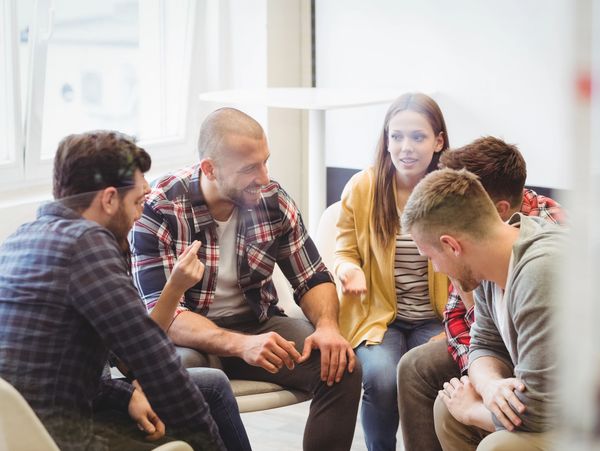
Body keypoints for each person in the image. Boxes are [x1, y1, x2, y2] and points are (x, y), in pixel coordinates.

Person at [0, 130, 250, 451]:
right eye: (136, 202)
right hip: (63, 437)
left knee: (210, 386)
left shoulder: (20, 239)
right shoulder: (86, 244)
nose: (138, 214)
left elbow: (66, 367)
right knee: (197, 415)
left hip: (19, 432)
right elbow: (153, 360)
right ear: (108, 199)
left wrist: (126, 393)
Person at [130, 108, 362, 451]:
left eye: (265, 162)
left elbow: (312, 276)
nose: (264, 177)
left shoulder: (272, 199)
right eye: (249, 168)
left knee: (340, 368)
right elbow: (167, 317)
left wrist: (327, 325)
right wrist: (241, 345)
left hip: (258, 323)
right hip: (188, 339)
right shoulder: (161, 208)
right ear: (209, 168)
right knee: (178, 376)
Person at [397, 136, 565, 451]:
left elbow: (540, 413)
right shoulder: (492, 265)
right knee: (449, 409)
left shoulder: (540, 270)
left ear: (452, 245)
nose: (434, 268)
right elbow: (483, 344)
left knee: (496, 443)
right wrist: (489, 387)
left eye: (431, 256)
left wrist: (474, 410)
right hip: (555, 404)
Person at [334, 92, 450, 451]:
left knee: (429, 378)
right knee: (382, 379)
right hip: (378, 317)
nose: (406, 147)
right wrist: (348, 269)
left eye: (418, 137)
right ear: (386, 139)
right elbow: (343, 248)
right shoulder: (364, 186)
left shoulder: (452, 191)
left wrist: (454, 327)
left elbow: (470, 264)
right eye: (396, 136)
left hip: (437, 318)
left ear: (438, 141)